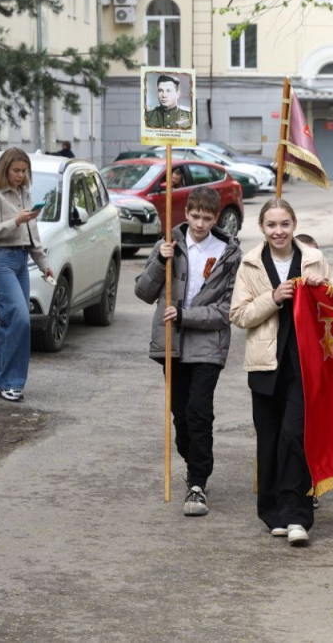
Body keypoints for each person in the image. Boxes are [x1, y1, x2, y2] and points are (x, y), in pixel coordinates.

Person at [229, 198, 333, 546]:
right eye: (272, 225)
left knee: (296, 437)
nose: (279, 231)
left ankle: (297, 516)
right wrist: (273, 297)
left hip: (304, 363)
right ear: (262, 227)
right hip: (265, 364)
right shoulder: (250, 264)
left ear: (294, 224)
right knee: (270, 438)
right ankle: (272, 512)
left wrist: (324, 290)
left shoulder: (314, 259)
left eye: (285, 224)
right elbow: (239, 315)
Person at [134, 186, 241, 517]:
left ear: (216, 217)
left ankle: (198, 482)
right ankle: (191, 461)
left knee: (198, 411)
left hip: (208, 343)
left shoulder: (228, 253)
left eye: (207, 218)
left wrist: (185, 315)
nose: (200, 223)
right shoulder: (169, 244)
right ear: (186, 213)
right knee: (180, 414)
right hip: (173, 344)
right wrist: (158, 259)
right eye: (195, 216)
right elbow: (143, 291)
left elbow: (227, 310)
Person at [0, 148, 55, 402]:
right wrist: (17, 220)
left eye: (24, 171)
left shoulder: (25, 195)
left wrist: (44, 264)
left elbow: (33, 237)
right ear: (5, 170)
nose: (21, 176)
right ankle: (10, 383)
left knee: (9, 322)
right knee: (20, 320)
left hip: (21, 261)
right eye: (16, 171)